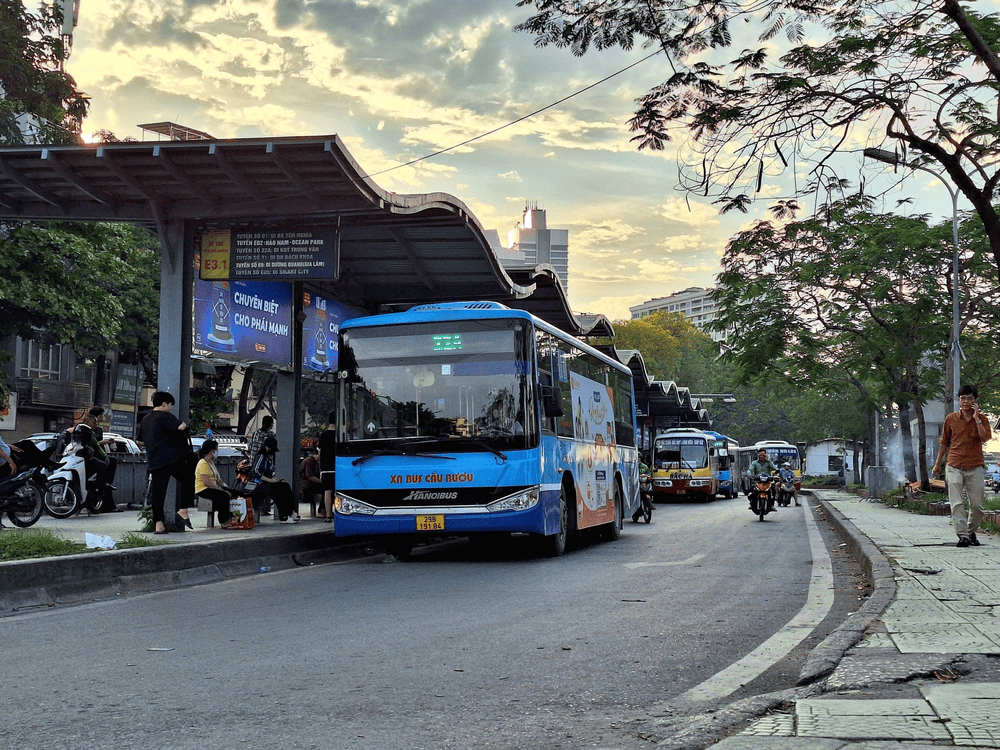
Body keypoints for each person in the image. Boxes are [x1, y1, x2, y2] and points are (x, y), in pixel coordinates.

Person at [932, 384, 992, 547]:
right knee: (957, 503)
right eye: (963, 398)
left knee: (977, 506)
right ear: (959, 400)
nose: (966, 401)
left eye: (970, 398)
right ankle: (963, 536)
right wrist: (937, 465)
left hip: (975, 466)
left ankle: (971, 531)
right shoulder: (951, 419)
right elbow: (944, 442)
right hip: (954, 465)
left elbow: (985, 438)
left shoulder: (983, 419)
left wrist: (977, 419)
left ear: (975, 401)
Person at [136, 390, 195, 534]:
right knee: (188, 477)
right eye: (169, 405)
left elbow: (139, 441)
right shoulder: (165, 416)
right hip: (171, 459)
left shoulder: (146, 419)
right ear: (164, 404)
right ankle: (183, 510)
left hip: (154, 461)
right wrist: (182, 425)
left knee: (158, 493)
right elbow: (181, 427)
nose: (170, 408)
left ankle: (159, 525)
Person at [249, 435, 297, 523]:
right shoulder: (261, 457)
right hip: (257, 484)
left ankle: (290, 512)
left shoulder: (268, 458)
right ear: (267, 448)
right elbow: (255, 472)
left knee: (285, 486)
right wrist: (270, 480)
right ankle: (283, 515)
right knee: (276, 492)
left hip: (266, 483)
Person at [194, 439, 238, 529]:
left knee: (236, 493)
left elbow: (217, 479)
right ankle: (224, 522)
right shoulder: (202, 463)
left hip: (213, 487)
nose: (217, 452)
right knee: (223, 495)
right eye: (216, 450)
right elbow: (206, 482)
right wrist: (221, 490)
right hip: (203, 489)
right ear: (212, 451)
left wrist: (223, 486)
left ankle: (234, 517)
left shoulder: (211, 463)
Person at [247, 415, 275, 514]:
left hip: (253, 461)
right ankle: (264, 509)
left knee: (256, 484)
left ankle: (256, 509)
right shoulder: (270, 435)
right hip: (265, 464)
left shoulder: (255, 433)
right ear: (271, 424)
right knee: (267, 484)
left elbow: (250, 447)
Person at [318, 411, 336, 522]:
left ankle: (328, 515)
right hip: (338, 467)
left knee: (327, 491)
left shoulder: (323, 435)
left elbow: (319, 453)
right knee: (338, 491)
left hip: (326, 468)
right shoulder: (341, 435)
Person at [748, 448, 778, 513]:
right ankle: (751, 502)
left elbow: (774, 468)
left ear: (765, 455)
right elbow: (750, 470)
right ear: (758, 455)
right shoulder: (754, 463)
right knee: (751, 491)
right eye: (760, 455)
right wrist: (750, 474)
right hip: (758, 481)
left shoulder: (769, 463)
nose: (762, 457)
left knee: (773, 490)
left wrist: (777, 471)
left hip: (767, 481)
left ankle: (771, 505)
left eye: (763, 455)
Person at [299, 446, 324, 516]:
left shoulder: (315, 462)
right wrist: (320, 481)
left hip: (311, 484)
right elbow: (310, 477)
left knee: (327, 489)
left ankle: (323, 509)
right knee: (326, 489)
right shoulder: (308, 461)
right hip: (307, 485)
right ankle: (321, 510)